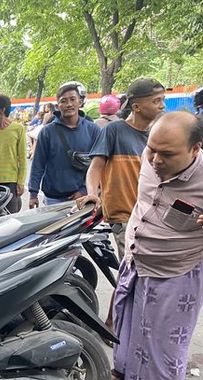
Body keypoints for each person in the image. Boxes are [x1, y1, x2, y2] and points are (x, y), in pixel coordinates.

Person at [111, 112, 203, 380]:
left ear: (195, 149)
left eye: (167, 154)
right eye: (152, 149)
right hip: (138, 256)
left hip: (176, 265)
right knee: (129, 320)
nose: (155, 159)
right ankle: (126, 371)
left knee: (166, 335)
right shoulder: (149, 157)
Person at [77, 78, 166, 260]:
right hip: (125, 216)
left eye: (162, 100)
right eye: (156, 101)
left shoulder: (157, 135)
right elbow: (95, 168)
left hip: (152, 216)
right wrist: (93, 193)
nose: (162, 106)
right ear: (136, 107)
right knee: (134, 270)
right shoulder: (114, 131)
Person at [28, 83, 100, 207]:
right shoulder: (47, 132)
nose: (69, 104)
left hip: (83, 198)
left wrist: (84, 190)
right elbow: (38, 164)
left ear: (80, 102)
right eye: (63, 101)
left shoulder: (93, 130)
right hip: (52, 199)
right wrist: (33, 194)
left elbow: (99, 165)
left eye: (73, 99)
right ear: (58, 105)